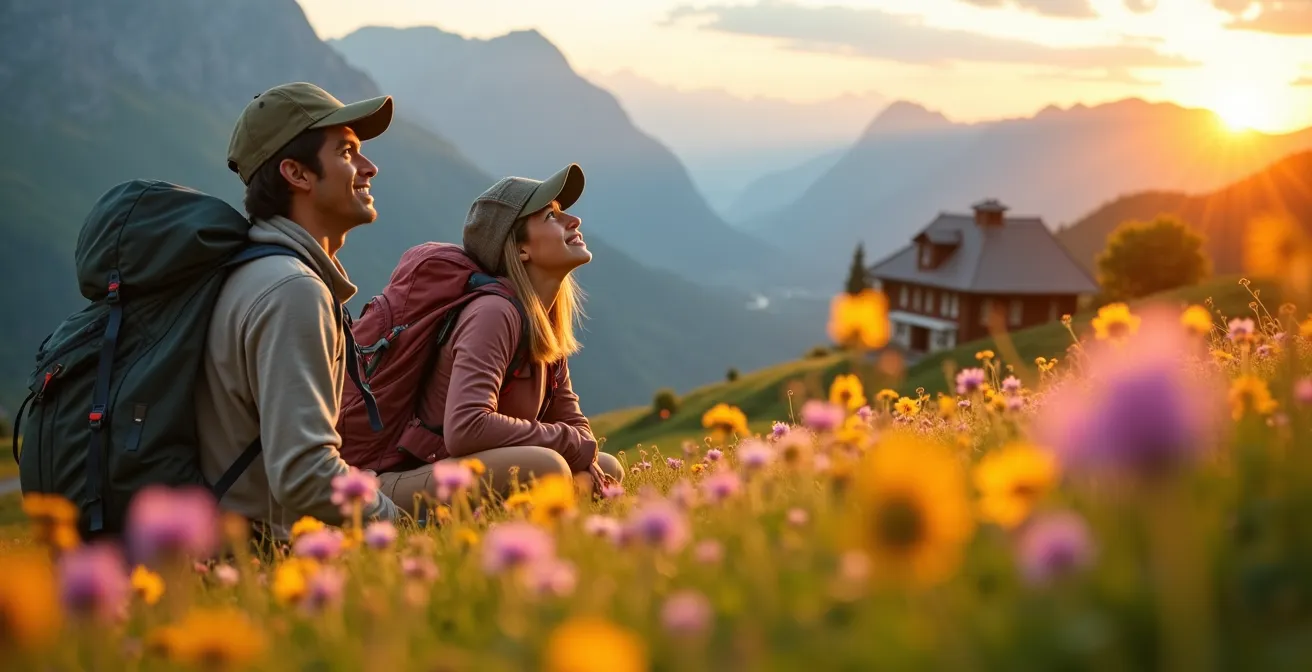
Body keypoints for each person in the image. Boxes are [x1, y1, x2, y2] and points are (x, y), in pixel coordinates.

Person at [196, 82, 401, 540]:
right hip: (265, 551)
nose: (369, 167)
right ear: (297, 174)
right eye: (347, 152)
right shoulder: (293, 290)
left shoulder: (255, 272)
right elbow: (305, 474)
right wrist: (402, 528)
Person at [372, 165, 623, 507]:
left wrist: (577, 446)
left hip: (469, 469)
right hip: (406, 477)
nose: (573, 220)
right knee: (548, 468)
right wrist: (568, 442)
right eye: (551, 216)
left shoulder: (542, 318)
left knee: (605, 468)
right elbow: (467, 427)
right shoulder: (493, 312)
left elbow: (573, 423)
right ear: (520, 250)